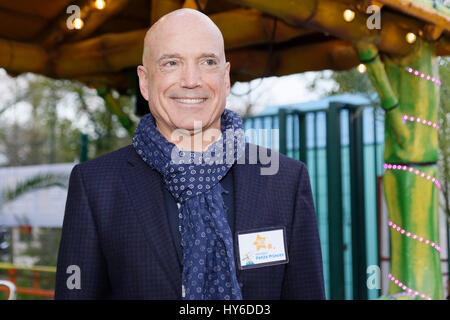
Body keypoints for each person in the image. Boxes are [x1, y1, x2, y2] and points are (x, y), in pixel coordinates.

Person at [55, 8, 324, 300]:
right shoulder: (96, 185)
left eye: (208, 62)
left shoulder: (284, 180)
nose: (191, 80)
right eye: (172, 63)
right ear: (145, 82)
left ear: (226, 77)